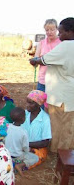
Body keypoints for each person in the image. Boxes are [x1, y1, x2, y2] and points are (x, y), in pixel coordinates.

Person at [29, 17, 74, 152]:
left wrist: (34, 60)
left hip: (60, 93)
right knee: (68, 124)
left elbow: (43, 59)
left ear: (70, 31)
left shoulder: (66, 46)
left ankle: (59, 152)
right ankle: (66, 152)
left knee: (58, 123)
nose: (59, 35)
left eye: (61, 32)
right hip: (69, 91)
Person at [4, 107, 39, 176]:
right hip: (18, 156)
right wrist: (28, 150)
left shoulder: (7, 127)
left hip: (6, 154)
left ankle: (11, 164)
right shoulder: (23, 132)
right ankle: (20, 165)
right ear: (23, 119)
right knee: (35, 158)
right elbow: (25, 147)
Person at [21, 90, 51, 168]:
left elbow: (45, 143)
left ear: (39, 104)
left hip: (37, 148)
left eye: (31, 103)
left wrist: (26, 144)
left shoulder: (45, 119)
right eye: (27, 102)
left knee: (37, 157)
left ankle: (20, 165)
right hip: (22, 145)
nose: (27, 105)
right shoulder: (24, 114)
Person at [34, 19, 61, 92]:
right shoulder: (41, 43)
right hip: (42, 80)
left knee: (54, 103)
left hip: (57, 80)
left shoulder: (61, 43)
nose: (49, 32)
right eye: (47, 30)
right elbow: (36, 59)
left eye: (52, 29)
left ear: (57, 29)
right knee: (41, 102)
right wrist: (34, 62)